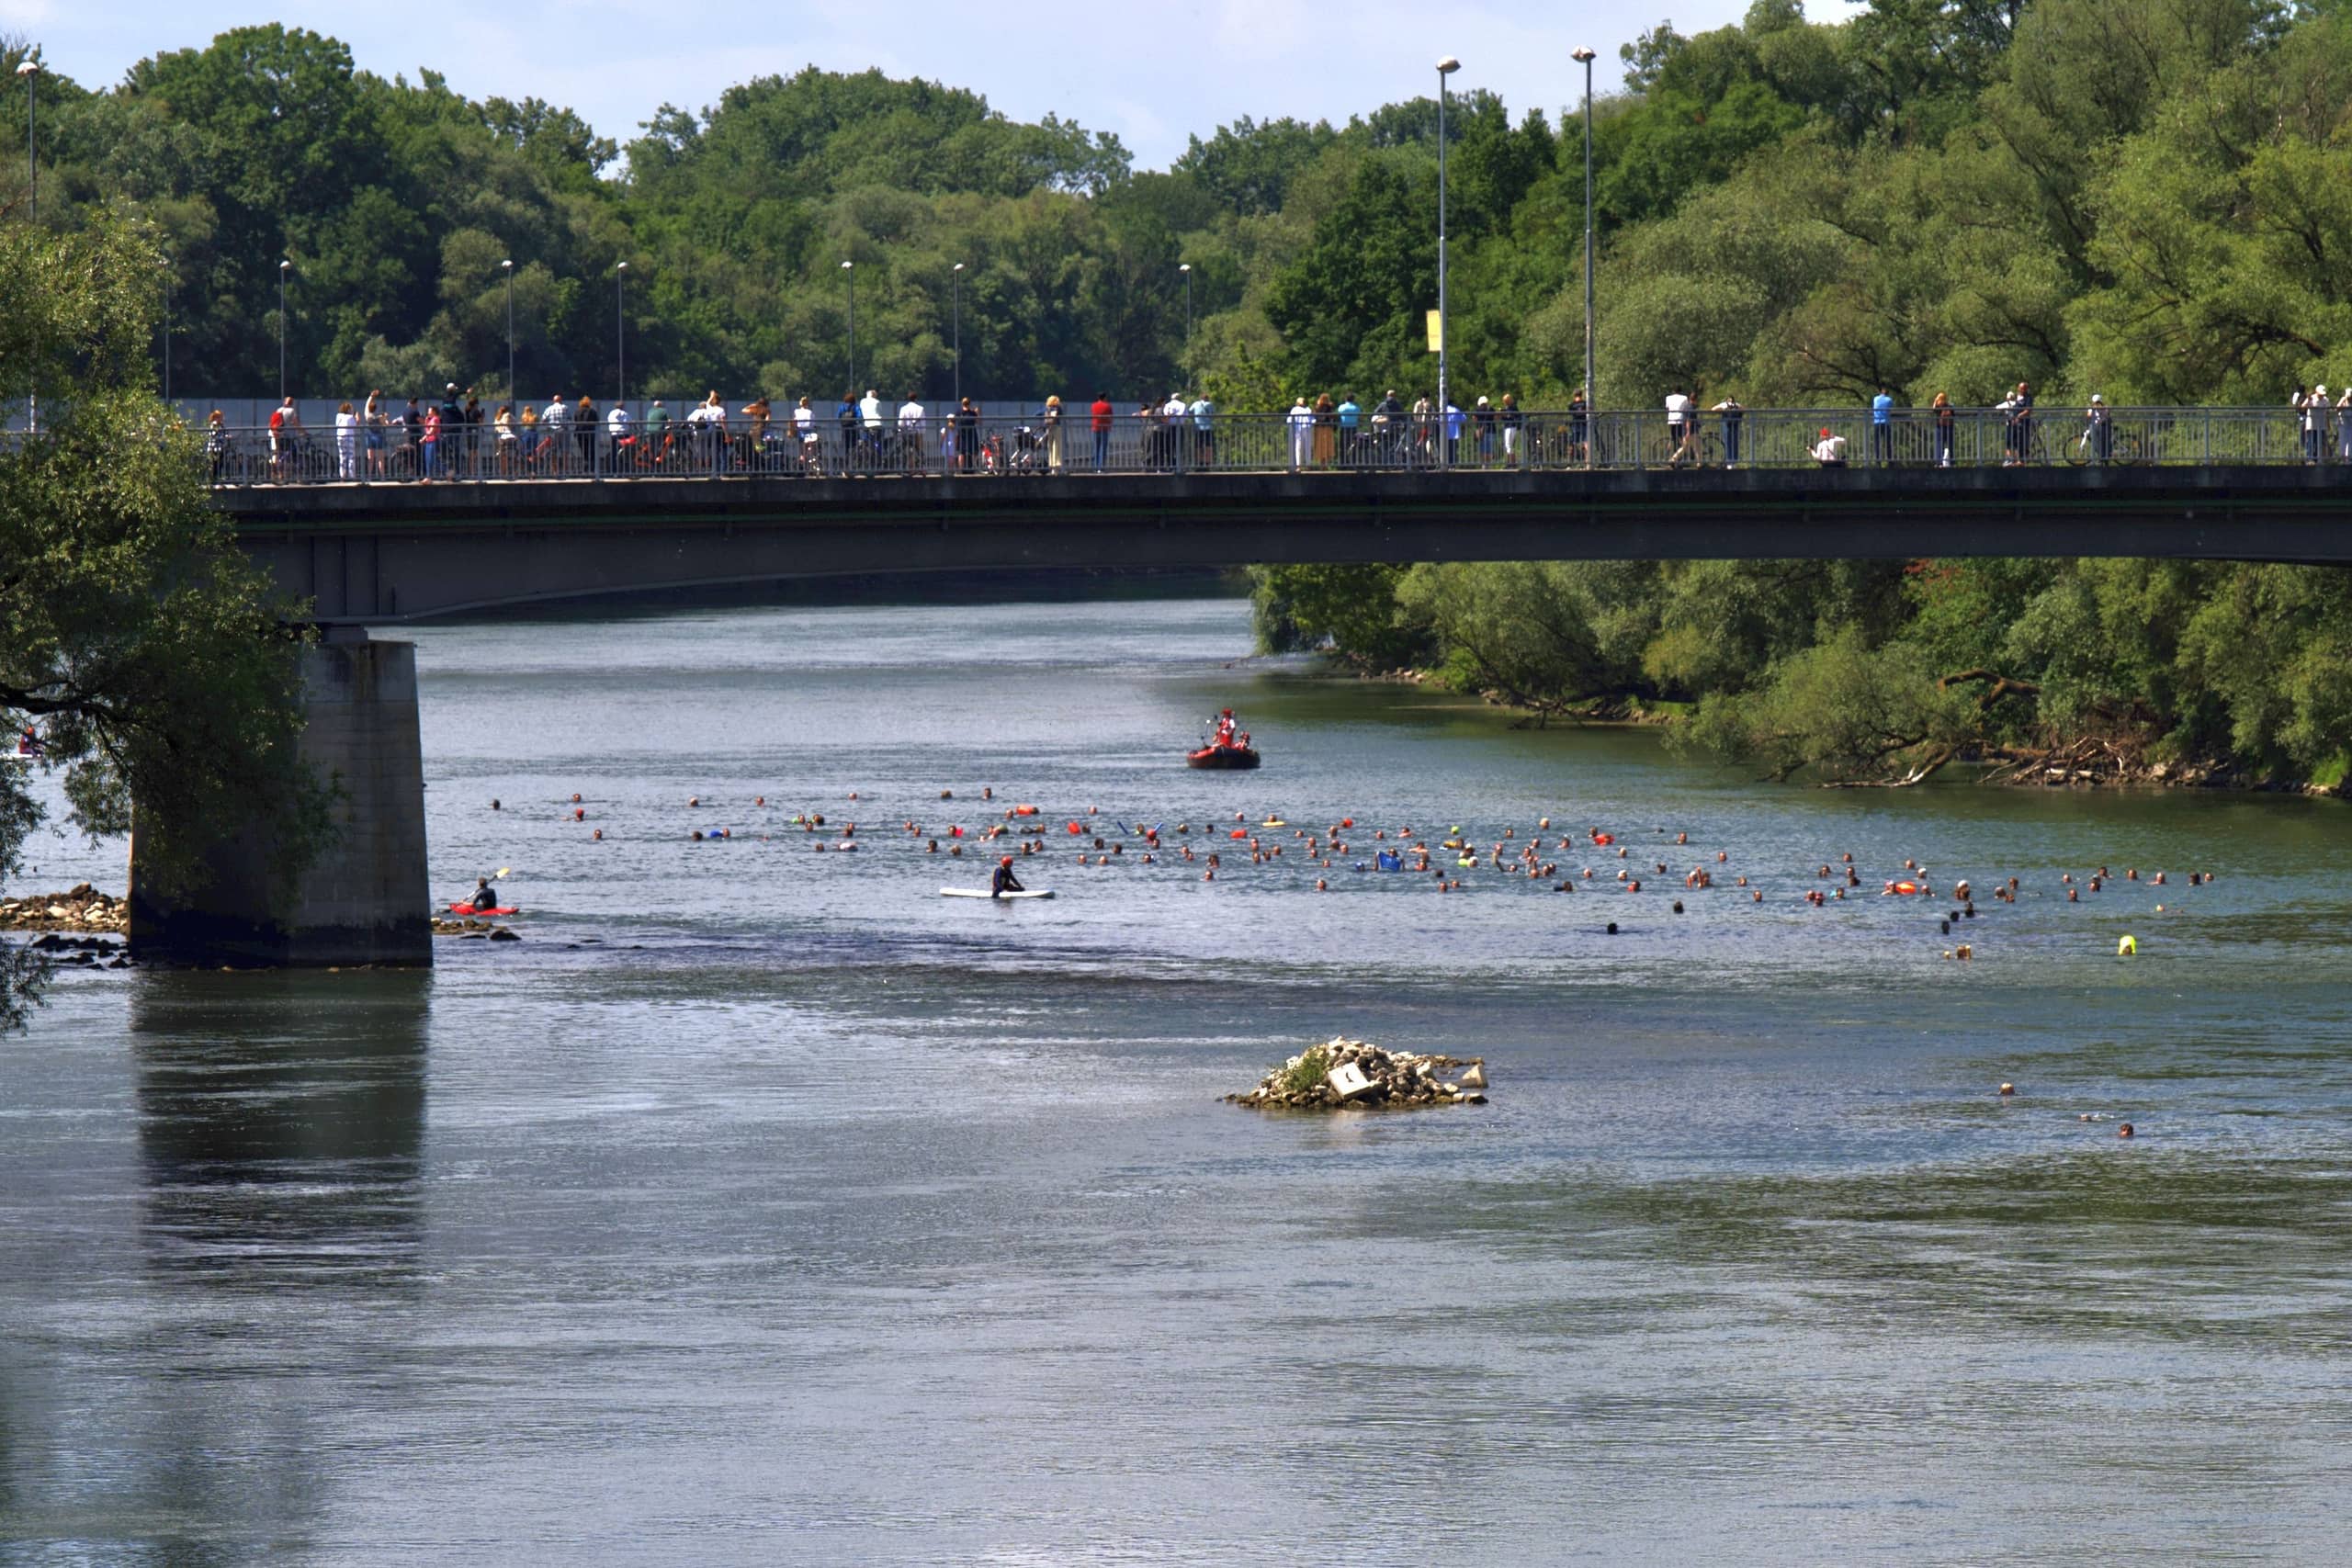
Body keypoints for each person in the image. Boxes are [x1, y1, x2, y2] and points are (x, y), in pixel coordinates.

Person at [1664, 388, 1693, 467]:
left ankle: (1669, 455)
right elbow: (1686, 409)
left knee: (1673, 438)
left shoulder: (1668, 398)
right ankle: (1681, 456)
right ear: (1681, 391)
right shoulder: (1684, 398)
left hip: (1671, 420)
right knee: (1682, 439)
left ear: (1673, 391)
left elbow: (1667, 408)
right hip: (1680, 419)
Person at [1712, 394, 1743, 468]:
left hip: (1727, 425)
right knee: (1734, 443)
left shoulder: (1724, 405)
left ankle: (1729, 462)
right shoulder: (1737, 405)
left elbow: (1713, 409)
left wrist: (1723, 410)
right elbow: (1744, 409)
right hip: (1735, 425)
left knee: (1728, 443)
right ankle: (1733, 462)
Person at [2082, 394, 2112, 464]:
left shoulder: (2091, 408)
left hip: (2097, 428)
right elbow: (2107, 415)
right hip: (2105, 427)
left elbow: (2088, 417)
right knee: (2104, 445)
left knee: (2097, 444)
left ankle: (2099, 460)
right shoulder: (2105, 407)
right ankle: (2104, 460)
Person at [605, 398, 634, 470]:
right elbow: (630, 422)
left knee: (614, 451)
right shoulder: (624, 413)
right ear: (622, 407)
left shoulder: (611, 413)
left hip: (614, 434)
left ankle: (613, 469)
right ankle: (626, 468)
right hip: (624, 434)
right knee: (628, 452)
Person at [1189, 390, 1216, 468]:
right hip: (1208, 428)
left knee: (1198, 446)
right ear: (1207, 399)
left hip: (1198, 428)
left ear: (1200, 398)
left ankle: (1199, 462)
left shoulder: (1195, 404)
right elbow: (1213, 415)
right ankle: (1207, 463)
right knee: (1208, 446)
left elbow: (1190, 412)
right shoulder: (1210, 404)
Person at [1288, 396, 1314, 469]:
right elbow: (1312, 420)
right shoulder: (1308, 409)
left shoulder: (1294, 409)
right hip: (1307, 429)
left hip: (1298, 430)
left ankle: (1299, 466)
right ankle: (1308, 465)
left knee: (1298, 447)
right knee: (1307, 447)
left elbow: (1290, 420)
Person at [1089, 391, 1114, 469]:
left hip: (1095, 428)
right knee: (1103, 448)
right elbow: (1111, 417)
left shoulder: (1093, 405)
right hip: (1105, 428)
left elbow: (1093, 414)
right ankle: (1102, 466)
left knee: (1096, 448)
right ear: (1105, 397)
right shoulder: (1108, 406)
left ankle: (1095, 467)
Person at [1930, 391, 1955, 468]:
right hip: (1949, 428)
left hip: (1939, 428)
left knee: (1939, 445)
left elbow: (1933, 410)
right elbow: (1953, 415)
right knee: (1950, 445)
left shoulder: (1938, 407)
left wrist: (1935, 401)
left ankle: (1939, 463)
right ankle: (1952, 462)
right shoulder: (1950, 406)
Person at [1567, 386, 1590, 468]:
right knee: (1586, 443)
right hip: (1584, 424)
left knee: (1572, 444)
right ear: (1581, 394)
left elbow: (1570, 414)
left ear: (1574, 395)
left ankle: (1570, 463)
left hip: (1575, 425)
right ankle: (1587, 463)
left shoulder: (1571, 405)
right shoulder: (1585, 403)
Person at [956, 397, 979, 473]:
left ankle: (960, 470)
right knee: (973, 451)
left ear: (962, 403)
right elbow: (978, 421)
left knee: (961, 453)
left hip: (962, 434)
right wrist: (977, 413)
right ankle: (974, 467)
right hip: (971, 434)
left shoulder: (959, 412)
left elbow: (955, 421)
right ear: (969, 404)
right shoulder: (972, 413)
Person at [1498, 391, 1522, 467]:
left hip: (1511, 427)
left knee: (1508, 445)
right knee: (1509, 445)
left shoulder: (1513, 407)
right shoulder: (1509, 408)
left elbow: (1510, 416)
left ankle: (1511, 463)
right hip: (1509, 427)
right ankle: (1511, 462)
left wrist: (1503, 414)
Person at [1043, 395, 1065, 472]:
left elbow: (1038, 414)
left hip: (1049, 428)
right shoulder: (1058, 408)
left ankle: (1051, 464)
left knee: (1050, 446)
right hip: (1056, 427)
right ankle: (1057, 465)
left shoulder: (1047, 408)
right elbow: (1062, 415)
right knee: (1057, 446)